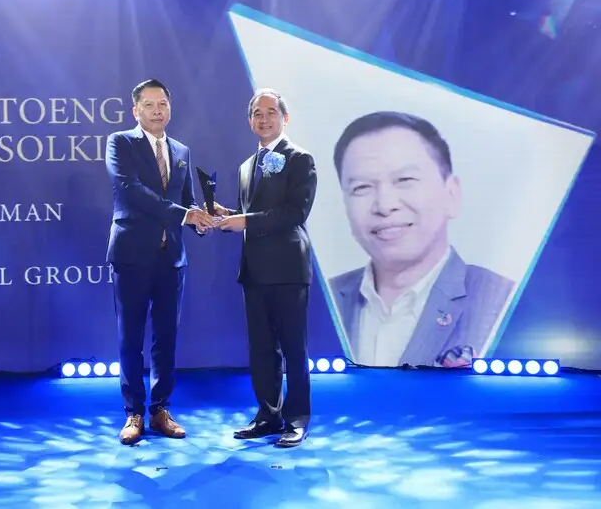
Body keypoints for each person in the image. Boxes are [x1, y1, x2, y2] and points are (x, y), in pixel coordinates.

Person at [328, 111, 514, 368]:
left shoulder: (502, 300)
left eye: (405, 180)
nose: (385, 205)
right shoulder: (319, 301)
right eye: (361, 187)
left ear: (451, 194)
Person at [105, 79, 215, 445]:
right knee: (130, 338)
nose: (157, 110)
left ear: (170, 107)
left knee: (166, 338)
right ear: (135, 110)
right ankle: (133, 412)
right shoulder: (120, 143)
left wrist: (204, 218)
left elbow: (187, 200)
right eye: (149, 105)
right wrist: (185, 214)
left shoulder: (181, 150)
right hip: (132, 256)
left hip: (172, 259)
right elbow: (131, 192)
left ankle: (160, 409)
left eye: (163, 104)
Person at [213, 88, 317, 447]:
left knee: (293, 349)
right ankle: (268, 414)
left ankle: (297, 418)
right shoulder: (246, 166)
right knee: (261, 349)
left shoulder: (300, 158)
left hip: (288, 268)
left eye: (271, 112)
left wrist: (245, 221)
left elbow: (295, 213)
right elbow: (251, 213)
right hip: (254, 270)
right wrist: (226, 215)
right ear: (249, 121)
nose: (264, 119)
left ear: (285, 118)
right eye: (257, 113)